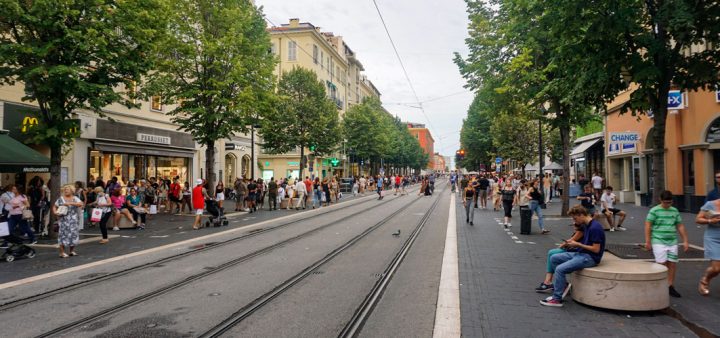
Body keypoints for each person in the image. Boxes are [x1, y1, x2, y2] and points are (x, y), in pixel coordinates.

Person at [539, 206, 605, 307]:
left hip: (590, 257)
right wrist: (573, 243)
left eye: (575, 218)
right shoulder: (586, 225)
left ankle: (557, 299)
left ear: (581, 215)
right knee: (554, 258)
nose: (574, 221)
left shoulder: (595, 228)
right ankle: (563, 286)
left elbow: (596, 249)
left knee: (560, 269)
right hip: (581, 253)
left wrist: (578, 244)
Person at [645, 190, 689, 298]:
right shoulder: (654, 211)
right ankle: (659, 285)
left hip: (672, 241)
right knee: (661, 264)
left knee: (672, 264)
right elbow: (648, 226)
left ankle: (670, 286)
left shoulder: (674, 211)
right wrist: (648, 241)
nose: (667, 204)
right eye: (665, 202)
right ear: (660, 200)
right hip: (658, 240)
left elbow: (680, 226)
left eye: (669, 202)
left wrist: (685, 240)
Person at [535, 219, 586, 293]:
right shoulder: (579, 229)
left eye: (574, 221)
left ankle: (551, 282)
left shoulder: (580, 231)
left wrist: (562, 245)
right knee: (552, 253)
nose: (573, 222)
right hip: (573, 249)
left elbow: (571, 241)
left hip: (575, 251)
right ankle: (548, 281)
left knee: (552, 253)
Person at [695, 196, 720, 296]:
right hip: (713, 238)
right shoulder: (710, 204)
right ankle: (705, 280)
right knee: (716, 268)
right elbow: (698, 219)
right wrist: (710, 221)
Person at [53, 184, 84, 258]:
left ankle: (71, 251)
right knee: (63, 235)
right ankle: (62, 252)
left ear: (72, 191)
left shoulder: (75, 198)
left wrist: (70, 203)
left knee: (73, 235)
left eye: (67, 190)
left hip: (73, 220)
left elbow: (81, 204)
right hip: (63, 220)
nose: (66, 191)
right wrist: (55, 212)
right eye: (65, 190)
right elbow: (54, 206)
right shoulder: (60, 199)